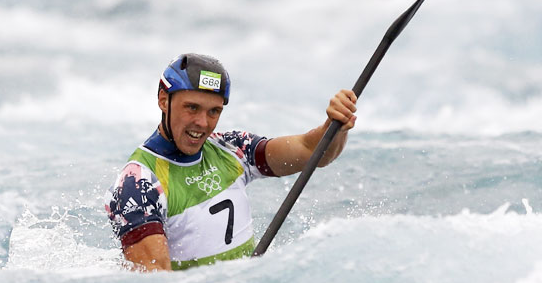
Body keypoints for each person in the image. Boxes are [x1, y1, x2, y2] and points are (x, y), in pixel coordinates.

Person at [104, 53, 357, 271]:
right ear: (163, 100)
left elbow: (313, 151)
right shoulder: (138, 184)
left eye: (214, 111)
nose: (203, 123)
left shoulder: (232, 147)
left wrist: (335, 125)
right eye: (192, 107)